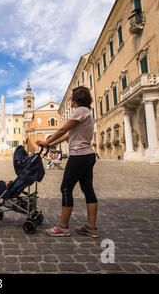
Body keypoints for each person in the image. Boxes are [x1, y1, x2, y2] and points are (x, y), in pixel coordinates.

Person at [36, 86, 98, 238]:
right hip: (88, 155)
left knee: (65, 188)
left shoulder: (80, 111)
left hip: (78, 155)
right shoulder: (87, 113)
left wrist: (46, 140)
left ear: (76, 98)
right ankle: (91, 227)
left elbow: (63, 129)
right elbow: (67, 136)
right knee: (88, 189)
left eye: (71, 97)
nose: (70, 100)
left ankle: (63, 227)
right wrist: (49, 144)